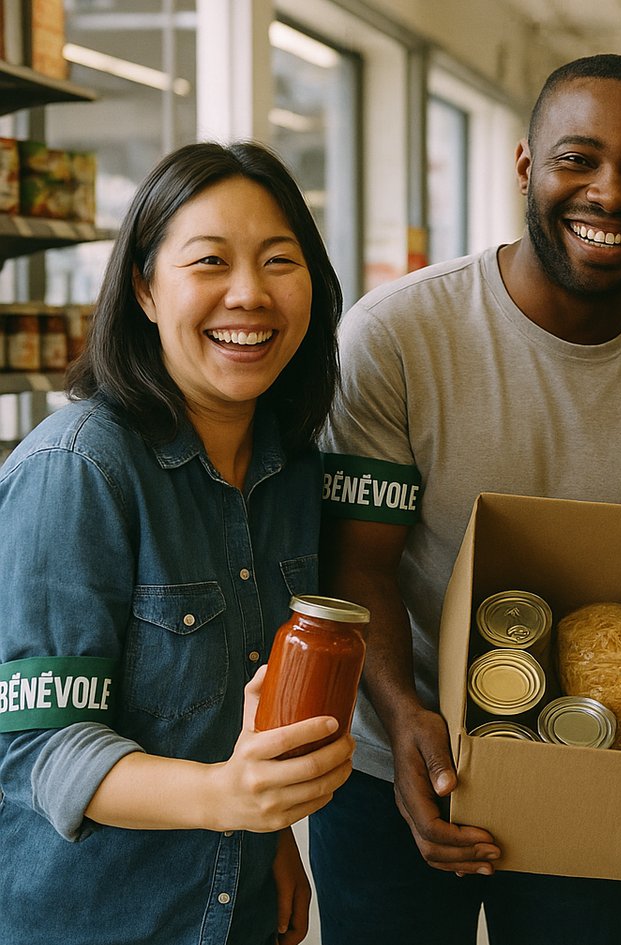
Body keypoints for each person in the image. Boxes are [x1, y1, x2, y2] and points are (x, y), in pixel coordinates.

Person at [308, 54, 621, 945]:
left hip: (586, 763)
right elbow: (358, 563)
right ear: (523, 166)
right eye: (577, 159)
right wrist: (403, 715)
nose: (610, 193)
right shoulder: (397, 336)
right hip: (397, 753)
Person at [0, 141, 351, 945]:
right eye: (210, 261)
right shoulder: (78, 469)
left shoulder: (292, 469)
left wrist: (270, 832)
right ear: (145, 288)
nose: (249, 293)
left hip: (234, 915)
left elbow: (245, 707)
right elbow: (36, 748)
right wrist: (227, 798)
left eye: (279, 260)